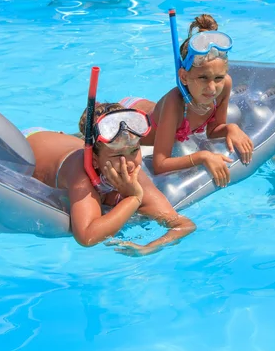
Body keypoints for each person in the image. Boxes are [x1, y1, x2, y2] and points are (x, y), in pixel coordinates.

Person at [25, 103, 196, 256]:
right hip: (30, 140)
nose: (128, 163)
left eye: (134, 151)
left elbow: (183, 224)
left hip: (66, 142)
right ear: (94, 160)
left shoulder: (131, 170)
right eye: (118, 155)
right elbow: (87, 237)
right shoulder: (81, 174)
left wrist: (151, 247)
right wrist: (133, 198)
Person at [118, 14, 254, 188]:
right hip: (126, 117)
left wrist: (231, 128)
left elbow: (213, 130)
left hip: (151, 109)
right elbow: (160, 164)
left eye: (218, 77)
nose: (212, 88)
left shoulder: (225, 84)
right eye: (203, 78)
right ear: (183, 76)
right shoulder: (175, 103)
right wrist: (202, 156)